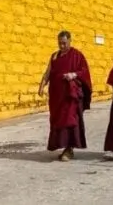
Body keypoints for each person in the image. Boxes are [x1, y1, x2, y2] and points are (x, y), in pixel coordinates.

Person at [38, 31, 92, 161]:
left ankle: (69, 149)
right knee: (58, 121)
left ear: (70, 41)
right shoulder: (55, 56)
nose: (62, 46)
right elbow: (48, 72)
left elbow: (84, 72)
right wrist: (42, 85)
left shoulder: (77, 55)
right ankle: (62, 146)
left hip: (70, 95)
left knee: (70, 120)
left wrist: (73, 75)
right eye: (60, 43)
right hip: (57, 95)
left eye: (64, 43)